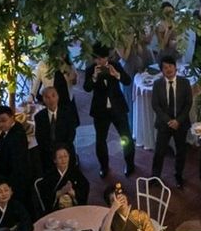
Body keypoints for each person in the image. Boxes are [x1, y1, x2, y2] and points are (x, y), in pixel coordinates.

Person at [83, 44, 135, 180]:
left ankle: (130, 164)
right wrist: (94, 77)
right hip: (100, 110)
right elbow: (87, 88)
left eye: (102, 58)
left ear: (107, 57)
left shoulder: (115, 65)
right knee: (100, 140)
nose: (99, 61)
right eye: (97, 59)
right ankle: (104, 166)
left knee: (126, 137)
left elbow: (127, 81)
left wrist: (116, 74)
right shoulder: (90, 69)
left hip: (118, 107)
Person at [150, 54, 192, 189]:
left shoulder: (185, 83)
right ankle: (155, 176)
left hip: (181, 124)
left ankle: (178, 175)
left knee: (181, 152)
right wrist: (169, 121)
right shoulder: (157, 84)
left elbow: (188, 104)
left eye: (170, 66)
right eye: (165, 67)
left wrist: (178, 121)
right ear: (161, 71)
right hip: (164, 124)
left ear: (175, 67)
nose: (168, 69)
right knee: (159, 151)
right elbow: (155, 105)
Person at [0, 104, 35, 213]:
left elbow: (17, 164)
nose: (1, 124)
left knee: (22, 207)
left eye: (3, 120)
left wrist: (9, 185)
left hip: (18, 181)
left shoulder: (17, 135)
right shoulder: (7, 132)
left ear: (12, 118)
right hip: (12, 178)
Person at [33, 85, 78, 169]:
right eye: (47, 97)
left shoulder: (68, 113)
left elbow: (71, 134)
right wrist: (51, 151)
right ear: (43, 99)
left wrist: (61, 150)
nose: (51, 100)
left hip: (65, 150)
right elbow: (39, 137)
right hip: (48, 153)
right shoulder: (39, 117)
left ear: (58, 96)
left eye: (53, 96)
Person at [36, 145, 90, 213]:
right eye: (60, 157)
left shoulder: (75, 172)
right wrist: (60, 192)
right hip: (56, 211)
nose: (63, 160)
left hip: (74, 209)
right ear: (55, 160)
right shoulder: (49, 175)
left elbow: (85, 186)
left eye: (65, 156)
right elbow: (45, 195)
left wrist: (73, 193)